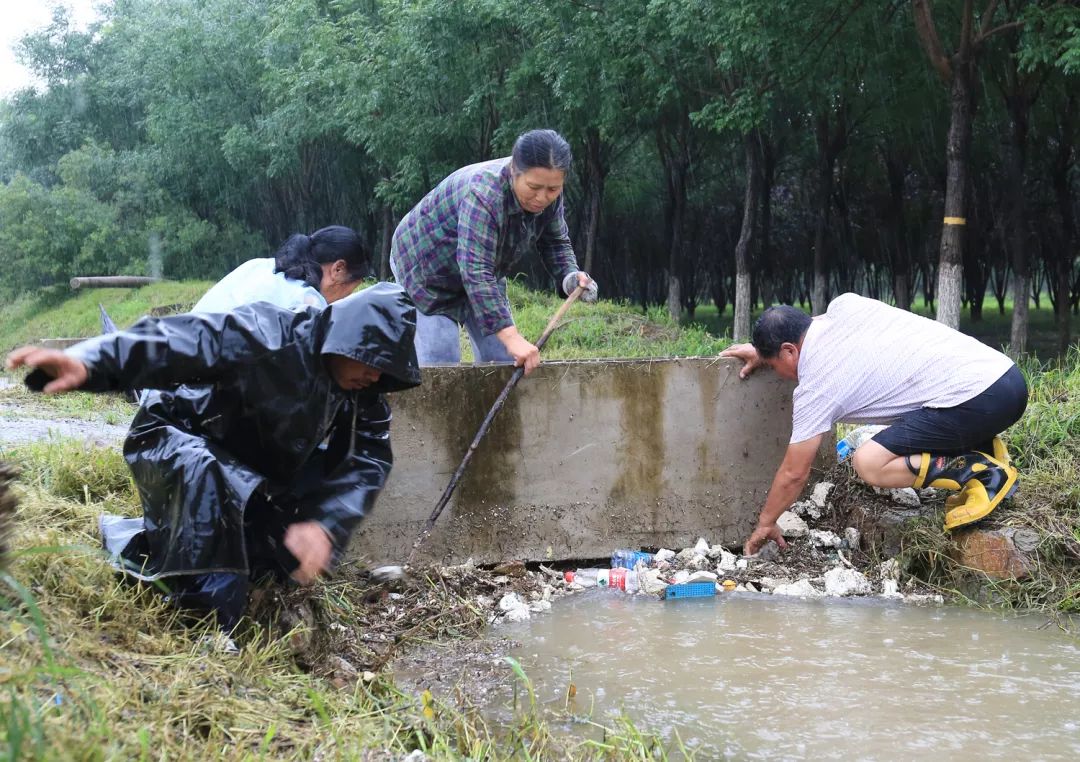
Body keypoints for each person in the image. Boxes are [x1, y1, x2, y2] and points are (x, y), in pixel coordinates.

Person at [5, 283, 420, 630]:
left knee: (271, 552)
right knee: (211, 492)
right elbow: (180, 340)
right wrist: (93, 362)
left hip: (253, 468)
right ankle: (211, 626)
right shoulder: (268, 334)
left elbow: (367, 461)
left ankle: (147, 546)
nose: (377, 377)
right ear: (345, 336)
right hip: (178, 436)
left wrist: (326, 526)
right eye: (373, 360)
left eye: (388, 369)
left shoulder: (362, 393)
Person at [721, 294, 1027, 556]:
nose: (780, 374)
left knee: (868, 462)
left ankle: (981, 471)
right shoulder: (845, 306)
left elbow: (794, 473)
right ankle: (981, 444)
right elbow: (801, 327)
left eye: (775, 365)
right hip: (1004, 379)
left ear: (789, 350)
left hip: (978, 402)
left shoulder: (817, 384)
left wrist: (766, 523)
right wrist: (763, 352)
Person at [390, 129, 598, 375]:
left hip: (483, 267)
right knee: (441, 364)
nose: (542, 197)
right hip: (427, 268)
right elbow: (475, 272)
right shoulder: (484, 194)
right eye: (533, 187)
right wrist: (512, 337)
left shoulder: (549, 193)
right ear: (513, 171)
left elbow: (555, 242)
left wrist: (570, 277)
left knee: (501, 360)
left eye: (552, 189)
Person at [194, 225, 370, 314]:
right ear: (338, 269)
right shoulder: (309, 302)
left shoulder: (259, 265)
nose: (343, 300)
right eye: (350, 290)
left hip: (184, 349)